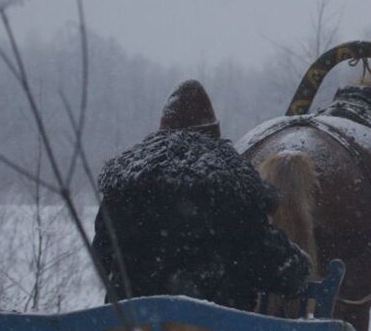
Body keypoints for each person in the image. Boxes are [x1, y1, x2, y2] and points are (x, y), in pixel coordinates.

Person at [90, 80, 310, 310]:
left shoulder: (124, 188)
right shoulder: (233, 188)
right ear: (213, 133)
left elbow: (103, 259)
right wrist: (299, 267)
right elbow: (279, 269)